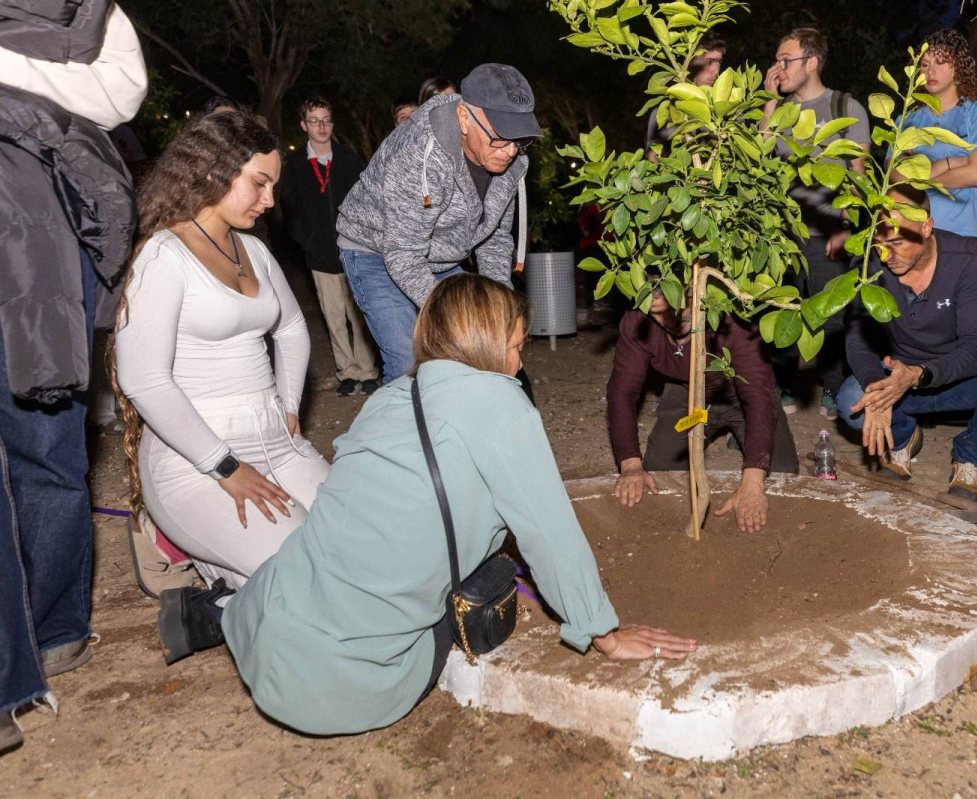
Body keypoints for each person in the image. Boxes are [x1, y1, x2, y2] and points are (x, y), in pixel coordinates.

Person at [155, 274, 698, 733]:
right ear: (483, 343)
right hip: (344, 689)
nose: (518, 365)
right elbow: (549, 535)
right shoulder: (501, 403)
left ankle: (214, 612)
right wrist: (604, 635)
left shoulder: (387, 398)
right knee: (483, 587)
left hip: (263, 634)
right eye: (515, 347)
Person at [0, 0, 145, 755]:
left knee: (48, 444)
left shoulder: (80, 10)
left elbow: (125, 89)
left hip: (44, 243)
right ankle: (44, 639)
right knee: (48, 450)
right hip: (46, 235)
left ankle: (55, 629)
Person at [114, 111, 331, 602]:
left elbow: (292, 329)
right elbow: (143, 379)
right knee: (300, 571)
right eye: (259, 183)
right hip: (196, 456)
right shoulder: (163, 255)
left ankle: (217, 572)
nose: (269, 200)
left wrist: (288, 405)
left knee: (358, 541)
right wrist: (226, 466)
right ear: (215, 170)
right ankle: (205, 582)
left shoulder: (253, 250)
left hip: (275, 439)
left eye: (273, 186)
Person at [837, 185, 977, 502]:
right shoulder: (869, 266)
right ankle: (903, 439)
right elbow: (856, 339)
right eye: (879, 243)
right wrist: (878, 389)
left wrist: (918, 374)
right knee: (851, 398)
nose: (886, 254)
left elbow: (975, 350)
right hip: (901, 384)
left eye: (897, 242)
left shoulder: (969, 258)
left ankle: (971, 458)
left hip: (960, 378)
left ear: (926, 227)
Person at [337, 63, 538, 383]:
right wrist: (458, 317)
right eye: (500, 138)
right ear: (464, 118)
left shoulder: (513, 161)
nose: (511, 151)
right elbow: (403, 253)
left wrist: (498, 309)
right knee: (408, 360)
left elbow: (495, 238)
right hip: (375, 250)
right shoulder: (419, 151)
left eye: (520, 139)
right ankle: (400, 415)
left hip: (442, 253)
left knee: (472, 349)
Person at [606, 289, 800, 534]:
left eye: (676, 308)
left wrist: (753, 484)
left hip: (739, 396)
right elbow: (622, 392)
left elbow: (757, 396)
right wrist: (630, 465)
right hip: (686, 394)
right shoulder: (637, 320)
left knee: (781, 475)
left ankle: (742, 434)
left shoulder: (732, 320)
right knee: (659, 472)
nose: (670, 320)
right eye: (657, 313)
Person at [761, 25, 870, 420]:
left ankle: (834, 388)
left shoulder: (845, 107)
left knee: (832, 316)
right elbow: (758, 163)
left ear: (811, 62)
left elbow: (858, 176)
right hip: (782, 235)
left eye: (785, 60)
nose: (778, 68)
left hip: (828, 233)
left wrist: (847, 226)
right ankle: (784, 387)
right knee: (781, 310)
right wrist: (768, 105)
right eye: (776, 60)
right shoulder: (779, 110)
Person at [280, 97, 379, 397]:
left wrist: (362, 237)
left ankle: (367, 370)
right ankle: (346, 371)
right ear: (304, 125)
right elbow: (290, 210)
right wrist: (308, 241)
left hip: (354, 250)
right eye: (314, 121)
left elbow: (367, 200)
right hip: (318, 254)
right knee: (333, 316)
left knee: (358, 313)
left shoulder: (349, 159)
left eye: (326, 120)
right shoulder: (295, 165)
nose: (321, 126)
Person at [899, 28, 977, 240]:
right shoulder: (906, 120)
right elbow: (896, 177)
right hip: (911, 234)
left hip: (960, 235)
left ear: (959, 66)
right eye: (924, 64)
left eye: (940, 62)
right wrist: (947, 163)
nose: (930, 71)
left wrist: (920, 178)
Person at [645, 31, 725, 154]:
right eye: (709, 62)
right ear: (691, 62)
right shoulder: (666, 111)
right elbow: (653, 157)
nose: (716, 71)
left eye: (719, 62)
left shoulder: (723, 109)